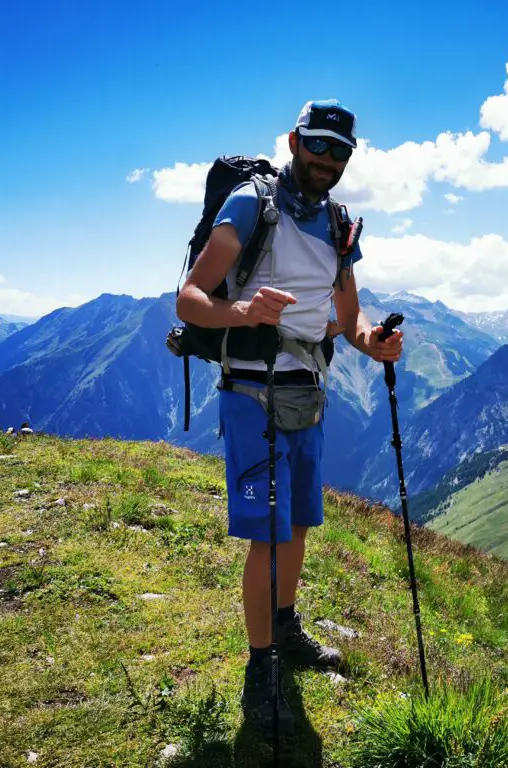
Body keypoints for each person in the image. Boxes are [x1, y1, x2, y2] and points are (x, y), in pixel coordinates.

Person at [175, 99, 404, 735]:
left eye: (341, 151)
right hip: (252, 389)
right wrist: (243, 313)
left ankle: (283, 630)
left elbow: (349, 315)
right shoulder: (251, 203)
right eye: (318, 145)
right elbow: (190, 299)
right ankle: (259, 670)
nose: (328, 159)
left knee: (298, 523)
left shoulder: (337, 224)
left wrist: (373, 340)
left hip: (308, 388)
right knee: (269, 536)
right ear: (294, 142)